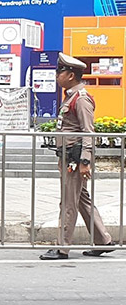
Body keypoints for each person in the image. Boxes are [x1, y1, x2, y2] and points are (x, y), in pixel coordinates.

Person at [40, 53, 114, 260]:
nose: (57, 75)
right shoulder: (71, 96)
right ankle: (103, 240)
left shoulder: (80, 99)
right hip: (68, 157)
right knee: (82, 200)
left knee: (68, 202)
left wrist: (85, 161)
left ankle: (62, 247)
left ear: (70, 75)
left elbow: (88, 132)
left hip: (75, 159)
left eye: (59, 72)